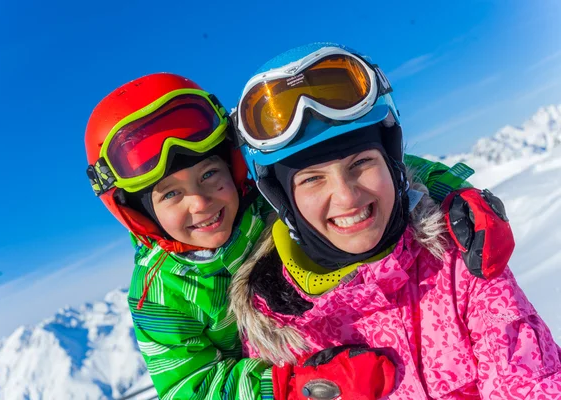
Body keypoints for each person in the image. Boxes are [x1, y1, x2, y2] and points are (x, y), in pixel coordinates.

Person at [84, 72, 513, 399]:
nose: (200, 203)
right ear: (138, 212)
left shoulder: (266, 201)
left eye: (210, 174)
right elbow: (188, 386)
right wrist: (293, 385)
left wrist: (454, 196)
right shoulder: (158, 296)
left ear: (233, 167)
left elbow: (380, 171)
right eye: (171, 194)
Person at [230, 42, 560, 399]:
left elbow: (527, 383)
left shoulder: (459, 264)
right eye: (311, 179)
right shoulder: (275, 324)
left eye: (361, 163)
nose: (346, 196)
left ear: (393, 163)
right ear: (283, 200)